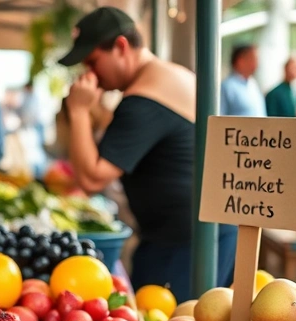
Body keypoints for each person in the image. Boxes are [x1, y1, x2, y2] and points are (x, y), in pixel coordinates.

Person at [58, 6, 236, 302]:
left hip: (184, 244)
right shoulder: (170, 76)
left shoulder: (144, 99)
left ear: (121, 46)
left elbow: (91, 178)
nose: (89, 74)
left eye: (93, 61)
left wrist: (77, 111)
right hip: (192, 235)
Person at [221, 45, 267, 117]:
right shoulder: (227, 87)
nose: (257, 63)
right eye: (253, 59)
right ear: (240, 61)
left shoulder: (253, 84)